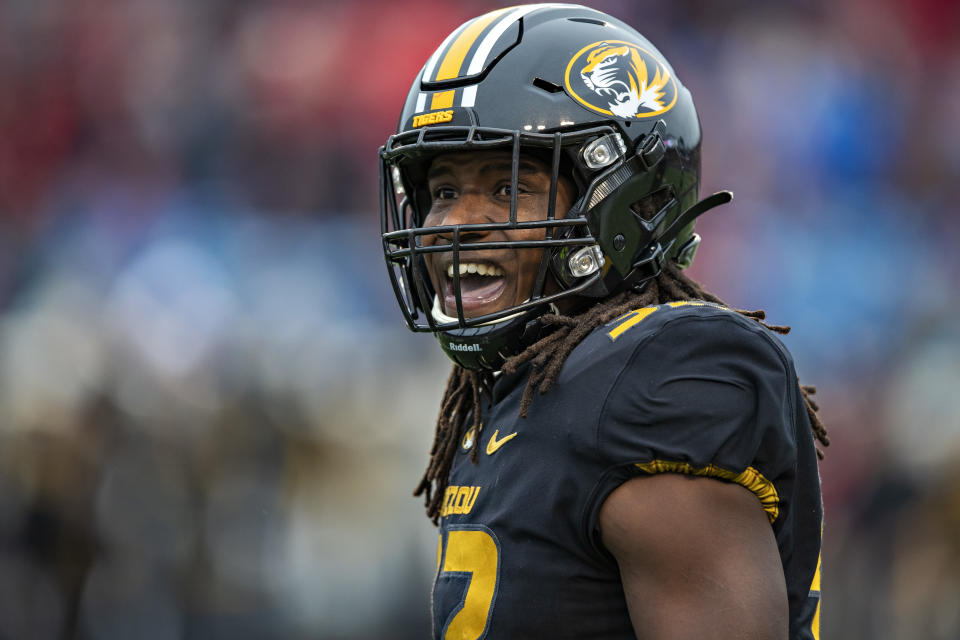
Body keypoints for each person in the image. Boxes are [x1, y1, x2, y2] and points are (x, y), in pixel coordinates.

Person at [379, 4, 828, 639]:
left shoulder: (655, 376)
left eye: (509, 189)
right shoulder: (528, 386)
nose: (454, 224)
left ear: (624, 199)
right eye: (445, 191)